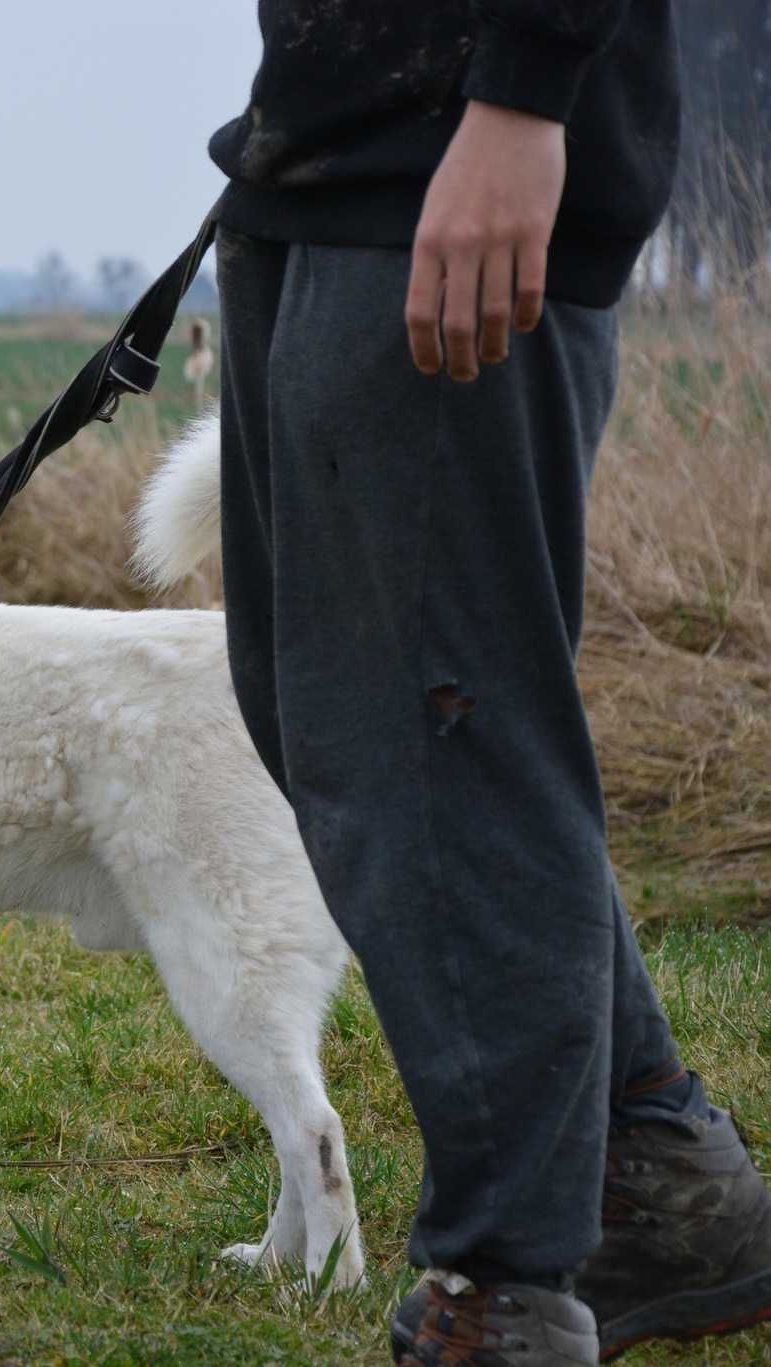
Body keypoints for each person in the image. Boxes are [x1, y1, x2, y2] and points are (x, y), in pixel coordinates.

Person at [204, 4, 771, 1363]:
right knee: (330, 716)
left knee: (439, 736)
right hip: (331, 147)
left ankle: (508, 1288)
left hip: (460, 144)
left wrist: (525, 93)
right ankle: (653, 1172)